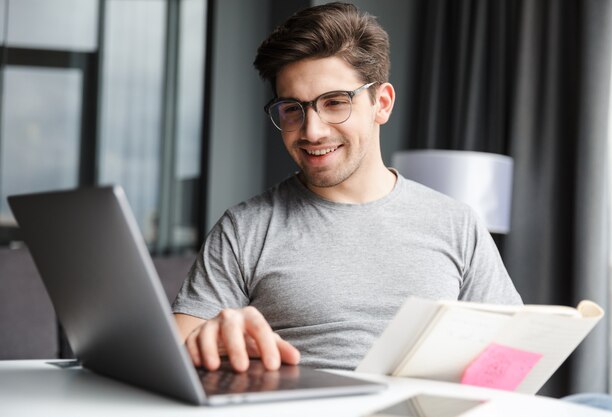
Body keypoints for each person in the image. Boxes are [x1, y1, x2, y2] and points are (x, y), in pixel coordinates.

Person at [172, 2, 521, 374]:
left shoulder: (458, 224)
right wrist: (211, 340)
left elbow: (514, 357)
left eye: (335, 103)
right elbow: (172, 353)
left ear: (381, 104)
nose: (312, 131)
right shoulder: (246, 228)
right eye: (293, 109)